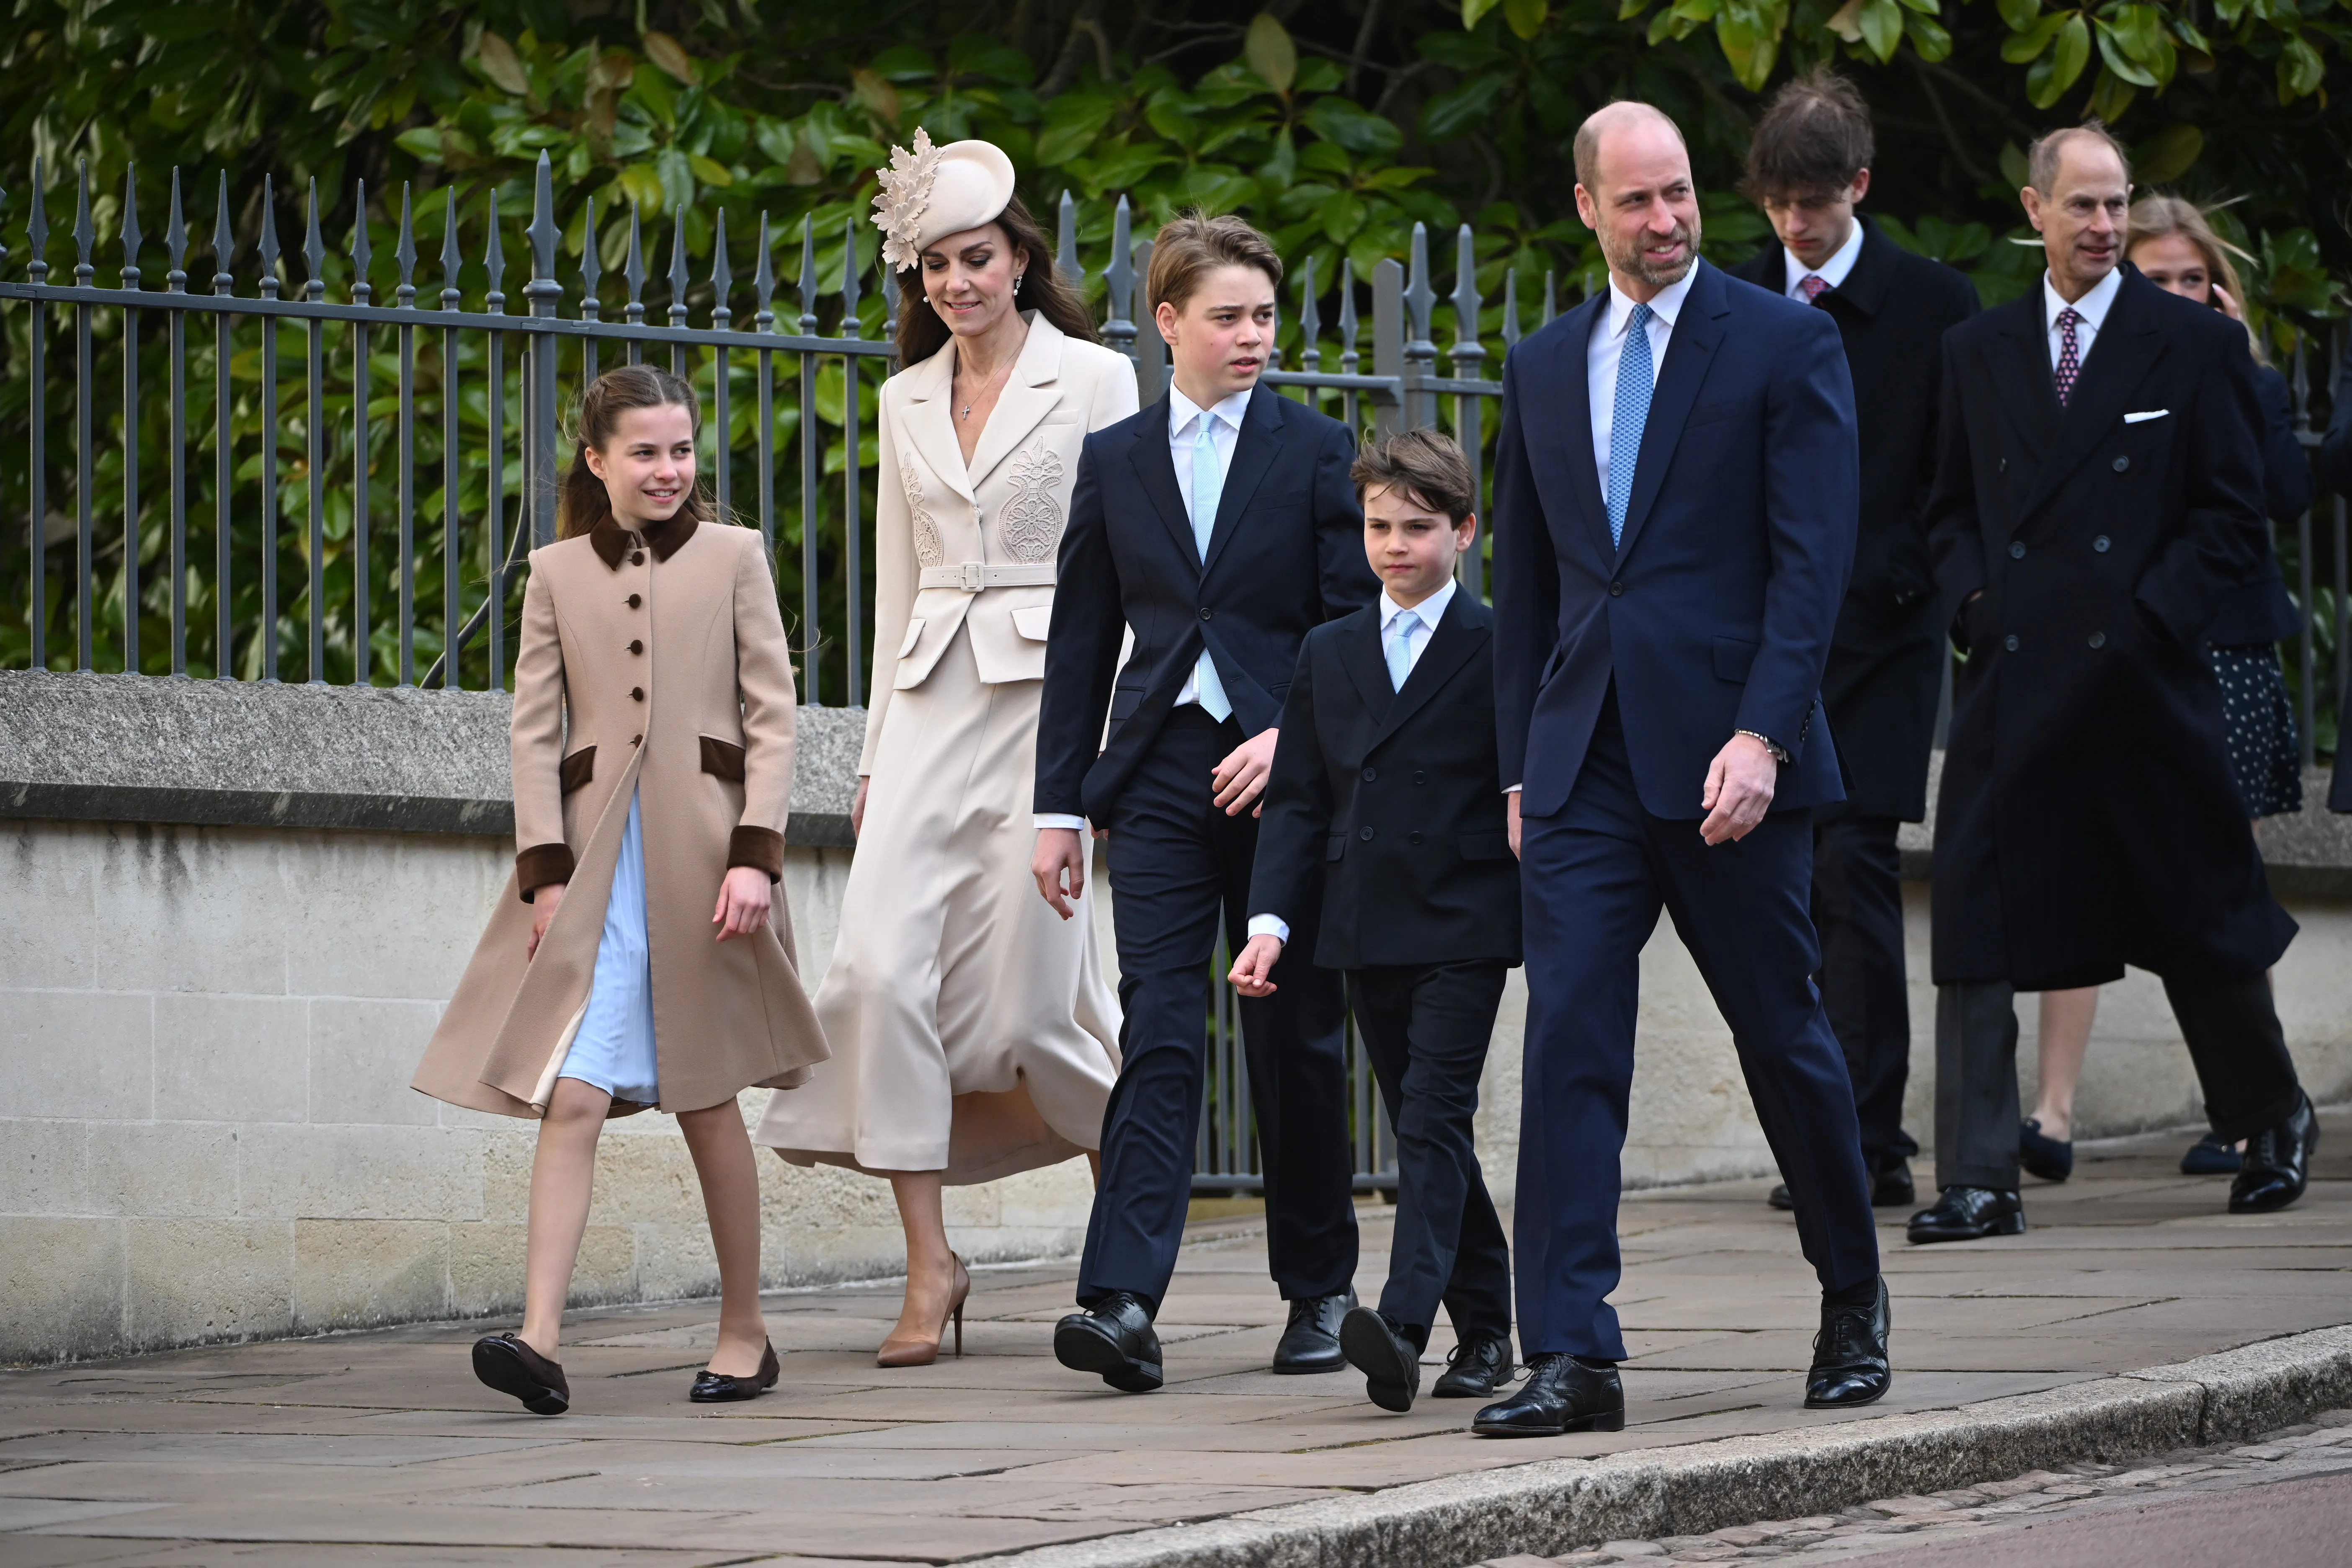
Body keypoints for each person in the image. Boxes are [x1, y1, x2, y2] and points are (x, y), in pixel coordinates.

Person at [1481, 100, 1889, 1440]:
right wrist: (1519, 771)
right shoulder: (1543, 364)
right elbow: (1530, 589)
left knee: (1782, 1033)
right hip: (1584, 762)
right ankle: (1574, 1353)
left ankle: (1850, 1293)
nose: (1667, 221)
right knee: (1570, 1040)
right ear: (1587, 206)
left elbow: (1809, 561)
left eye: (1680, 195)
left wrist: (1766, 734)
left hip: (1731, 759)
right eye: (1638, 200)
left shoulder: (1784, 341)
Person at [754, 132, 1133, 1366]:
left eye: (977, 258)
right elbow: (897, 582)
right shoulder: (901, 397)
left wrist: (1112, 755)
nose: (956, 283)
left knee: (1043, 998)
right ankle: (931, 1269)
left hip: (1053, 712)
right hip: (925, 711)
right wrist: (872, 748)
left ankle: (1125, 1262)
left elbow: (1132, 571)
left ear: (1022, 260)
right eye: (934, 267)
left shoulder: (1095, 379)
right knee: (875, 979)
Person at [1911, 124, 2320, 1248]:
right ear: (2034, 212)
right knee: (1981, 927)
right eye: (2081, 207)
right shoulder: (1979, 350)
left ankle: (2271, 1114)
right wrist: (1976, 606)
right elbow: (1945, 511)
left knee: (2198, 913)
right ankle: (1982, 1177)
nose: (2101, 227)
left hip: (2144, 685)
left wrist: (2148, 623)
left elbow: (2234, 519)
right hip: (2016, 680)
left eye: (2116, 207)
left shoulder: (2189, 345)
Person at [413, 365, 829, 1414]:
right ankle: (538, 1339)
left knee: (704, 1097)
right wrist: (543, 875)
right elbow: (534, 732)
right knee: (576, 1092)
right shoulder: (553, 573)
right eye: (644, 452)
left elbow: (774, 714)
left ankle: (746, 1332)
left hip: (705, 865)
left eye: (681, 450)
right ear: (596, 462)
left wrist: (755, 853)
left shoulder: (737, 557)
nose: (667, 469)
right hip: (599, 873)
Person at [1034, 213, 1377, 1393]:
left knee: (1293, 1034)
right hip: (1165, 773)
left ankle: (1320, 1290)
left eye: (1264, 316)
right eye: (1227, 316)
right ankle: (1122, 1300)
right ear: (1168, 323)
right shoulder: (1118, 456)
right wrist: (1058, 808)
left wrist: (1295, 739)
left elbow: (1351, 625)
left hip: (1289, 778)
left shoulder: (1318, 448)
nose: (1251, 337)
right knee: (1161, 1028)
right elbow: (1080, 642)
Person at [2016, 193, 2317, 1189]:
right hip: (2097, 654)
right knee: (2079, 866)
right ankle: (2050, 1111)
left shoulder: (2231, 365)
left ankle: (2255, 1109)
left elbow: (2275, 496)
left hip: (2216, 649)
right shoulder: (2070, 366)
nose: (2178, 294)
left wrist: (2229, 358)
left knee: (2213, 883)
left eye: (2195, 278)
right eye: (2159, 279)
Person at [1727, 67, 1979, 1214]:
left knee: (1854, 867)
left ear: (1859, 187)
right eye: (1778, 203)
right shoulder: (1729, 299)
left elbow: (1955, 479)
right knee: (1783, 883)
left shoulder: (1933, 306)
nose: (1795, 224)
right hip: (1761, 636)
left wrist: (1900, 584)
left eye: (1814, 202)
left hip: (1879, 634)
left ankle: (1869, 1137)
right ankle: (1815, 1128)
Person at [1229, 428, 1520, 1415]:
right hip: (1363, 923)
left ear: (1465, 533)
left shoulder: (1501, 643)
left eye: (1419, 528)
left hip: (1468, 918)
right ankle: (1487, 1329)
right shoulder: (1330, 648)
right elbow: (1301, 800)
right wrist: (1271, 922)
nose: (1396, 546)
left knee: (1434, 1119)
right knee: (1426, 1126)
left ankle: (1401, 1326)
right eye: (1379, 527)